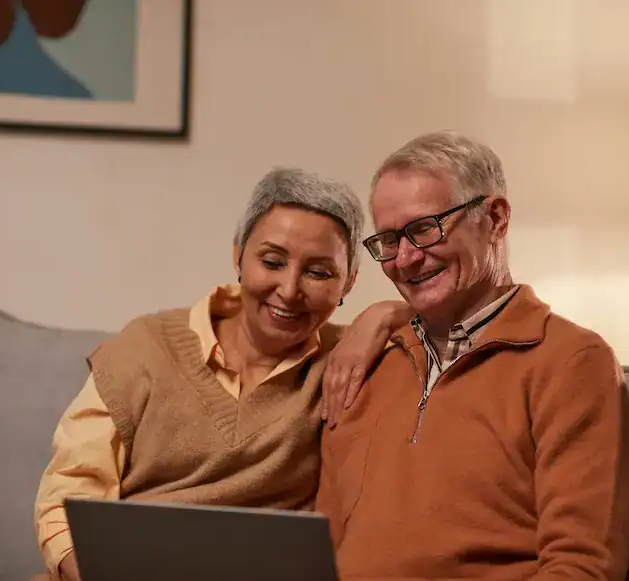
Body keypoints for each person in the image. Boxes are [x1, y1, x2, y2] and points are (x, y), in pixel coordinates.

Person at [32, 167, 412, 581]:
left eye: (318, 272)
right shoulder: (144, 346)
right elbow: (68, 494)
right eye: (272, 262)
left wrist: (386, 313)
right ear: (238, 256)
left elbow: (459, 315)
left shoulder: (348, 362)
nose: (289, 290)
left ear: (349, 283)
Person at [316, 131, 629, 580]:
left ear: (495, 219)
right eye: (390, 240)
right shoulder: (364, 363)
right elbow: (317, 553)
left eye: (424, 229)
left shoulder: (572, 363)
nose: (406, 259)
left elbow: (582, 567)